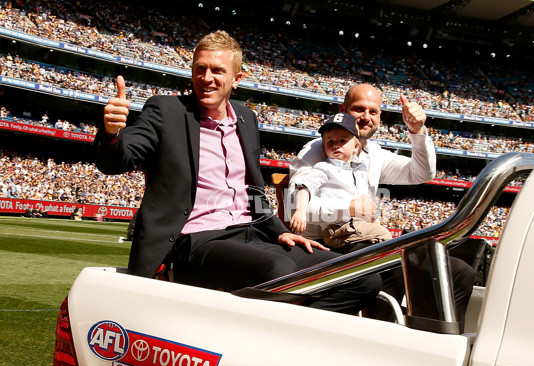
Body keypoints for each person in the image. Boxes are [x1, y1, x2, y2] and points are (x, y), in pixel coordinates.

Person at [95, 30, 380, 315]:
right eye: (200, 69)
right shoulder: (166, 111)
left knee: (362, 277)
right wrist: (111, 132)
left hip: (252, 235)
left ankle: (296, 337)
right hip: (196, 240)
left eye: (218, 70)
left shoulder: (246, 118)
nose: (207, 78)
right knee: (279, 270)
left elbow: (253, 191)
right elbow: (115, 162)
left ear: (237, 79)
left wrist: (280, 232)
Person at [289, 84, 474, 330]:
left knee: (460, 272)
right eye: (359, 109)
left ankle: (441, 343)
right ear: (344, 110)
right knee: (393, 268)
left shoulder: (372, 153)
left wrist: (417, 132)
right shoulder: (320, 149)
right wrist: (349, 208)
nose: (366, 117)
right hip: (327, 245)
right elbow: (294, 206)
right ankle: (378, 339)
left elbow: (421, 173)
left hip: (364, 242)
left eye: (373, 111)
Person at [289, 112, 392, 249]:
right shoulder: (324, 167)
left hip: (359, 228)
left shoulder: (360, 171)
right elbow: (304, 187)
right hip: (338, 230)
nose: (336, 145)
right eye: (330, 141)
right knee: (385, 237)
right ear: (323, 147)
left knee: (385, 239)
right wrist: (300, 210)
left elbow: (368, 203)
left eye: (342, 141)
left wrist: (374, 217)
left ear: (356, 147)